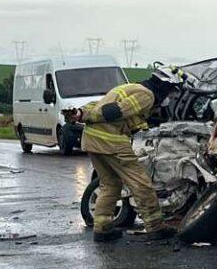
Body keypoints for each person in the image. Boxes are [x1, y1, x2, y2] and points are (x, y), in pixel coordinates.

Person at [65, 68, 183, 242]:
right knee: (141, 183)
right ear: (164, 87)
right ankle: (155, 227)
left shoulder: (128, 88)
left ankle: (102, 229)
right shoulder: (147, 95)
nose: (171, 98)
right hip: (111, 141)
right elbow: (114, 111)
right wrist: (90, 115)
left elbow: (98, 105)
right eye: (172, 93)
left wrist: (81, 114)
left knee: (110, 185)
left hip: (91, 139)